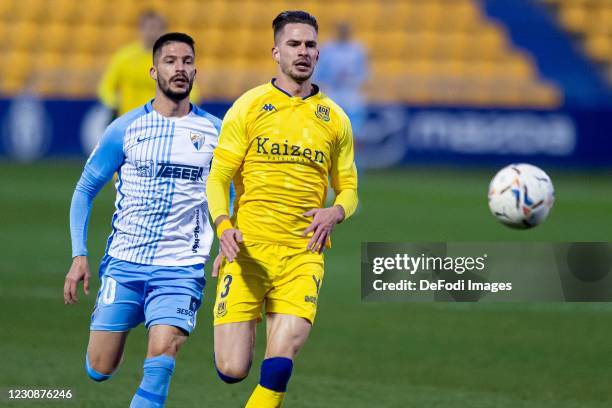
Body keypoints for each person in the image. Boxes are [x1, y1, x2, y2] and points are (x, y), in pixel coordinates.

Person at [206, 11, 358, 407]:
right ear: (276, 51)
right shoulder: (249, 107)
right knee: (232, 368)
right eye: (293, 44)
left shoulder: (335, 119)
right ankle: (250, 318)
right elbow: (218, 178)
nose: (302, 52)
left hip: (303, 256)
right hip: (248, 251)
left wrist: (335, 212)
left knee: (279, 364)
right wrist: (223, 226)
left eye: (309, 44)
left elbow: (350, 189)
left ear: (319, 52)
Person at [64, 32, 220, 408]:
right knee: (99, 368)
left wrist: (229, 236)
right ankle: (130, 315)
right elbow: (85, 190)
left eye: (186, 61)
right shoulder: (125, 128)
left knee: (163, 352)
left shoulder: (216, 131)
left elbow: (231, 192)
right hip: (125, 263)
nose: (179, 68)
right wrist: (79, 254)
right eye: (170, 61)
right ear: (154, 70)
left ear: (196, 69)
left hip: (181, 268)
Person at [97, 10, 201, 117]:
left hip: (161, 122)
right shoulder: (124, 57)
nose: (152, 33)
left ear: (164, 31)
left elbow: (192, 92)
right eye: (148, 28)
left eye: (157, 28)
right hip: (129, 120)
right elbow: (106, 87)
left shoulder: (174, 59)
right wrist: (115, 103)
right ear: (140, 29)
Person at [315, 22, 368, 138]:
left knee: (353, 131)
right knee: (331, 129)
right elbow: (319, 72)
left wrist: (354, 80)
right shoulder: (327, 49)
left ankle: (352, 154)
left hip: (351, 93)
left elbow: (364, 72)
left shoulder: (358, 50)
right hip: (333, 92)